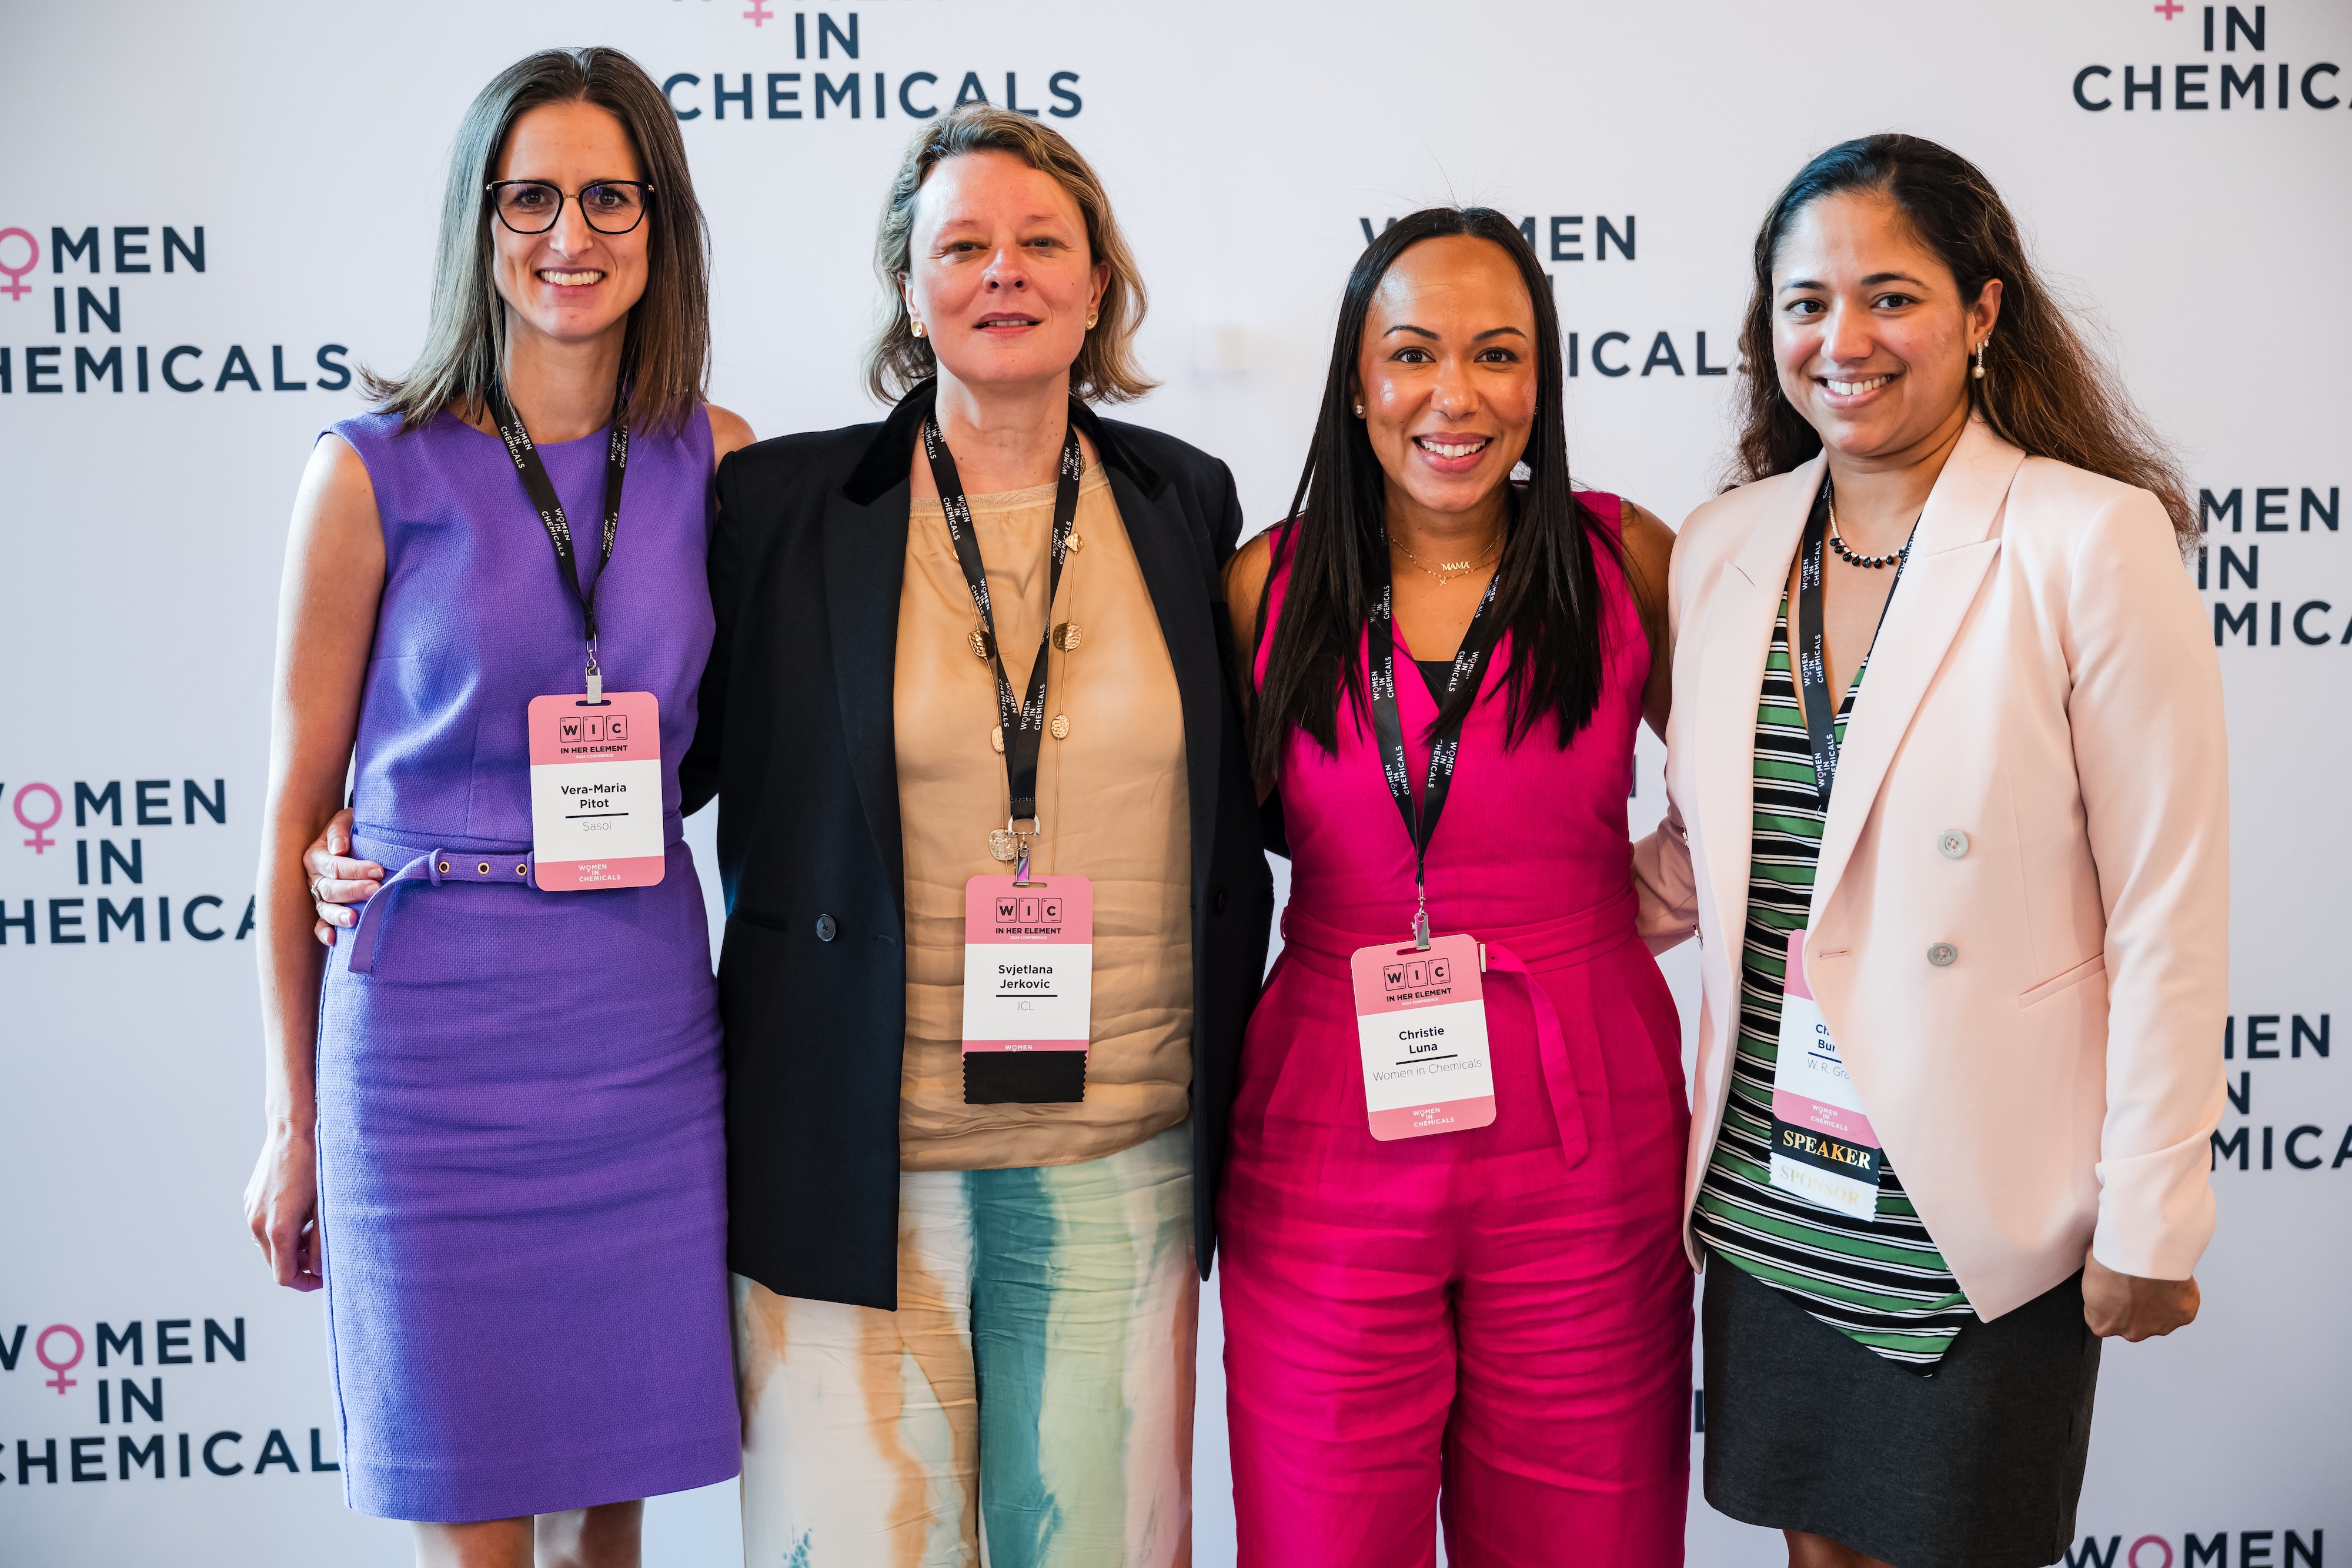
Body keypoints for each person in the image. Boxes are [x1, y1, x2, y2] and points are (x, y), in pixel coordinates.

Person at [684, 105, 1271, 1567]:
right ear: (907, 286)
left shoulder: (1182, 499)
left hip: (1120, 1156)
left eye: (1038, 243)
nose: (1001, 271)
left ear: (1095, 285)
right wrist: (394, 834)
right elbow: (654, 751)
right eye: (961, 244)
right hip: (847, 1160)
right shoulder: (779, 505)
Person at [1646, 133, 2226, 1568]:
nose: (1839, 339)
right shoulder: (1721, 545)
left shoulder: (2088, 540)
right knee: (1815, 1554)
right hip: (1779, 1185)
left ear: (1979, 313)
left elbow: (2167, 895)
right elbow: (1706, 858)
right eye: (1801, 302)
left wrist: (2153, 1206)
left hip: (1976, 1201)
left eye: (1887, 297)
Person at [246, 46, 754, 1567]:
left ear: (661, 225)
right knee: (472, 1528)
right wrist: (291, 1120)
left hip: (639, 1035)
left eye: (610, 197)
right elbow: (291, 820)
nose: (570, 236)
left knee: (612, 1524)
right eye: (531, 197)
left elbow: (751, 752)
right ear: (480, 223)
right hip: (428, 1048)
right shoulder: (368, 471)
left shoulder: (719, 461)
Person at [1220, 208, 1689, 1567]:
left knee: (1583, 1535)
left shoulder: (1620, 562)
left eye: (1496, 354)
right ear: (1356, 378)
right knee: (1321, 1532)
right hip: (1324, 1126)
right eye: (1412, 352)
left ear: (1538, 379)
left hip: (1582, 1123)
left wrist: (1644, 893)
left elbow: (1756, 782)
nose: (1453, 396)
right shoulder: (1269, 582)